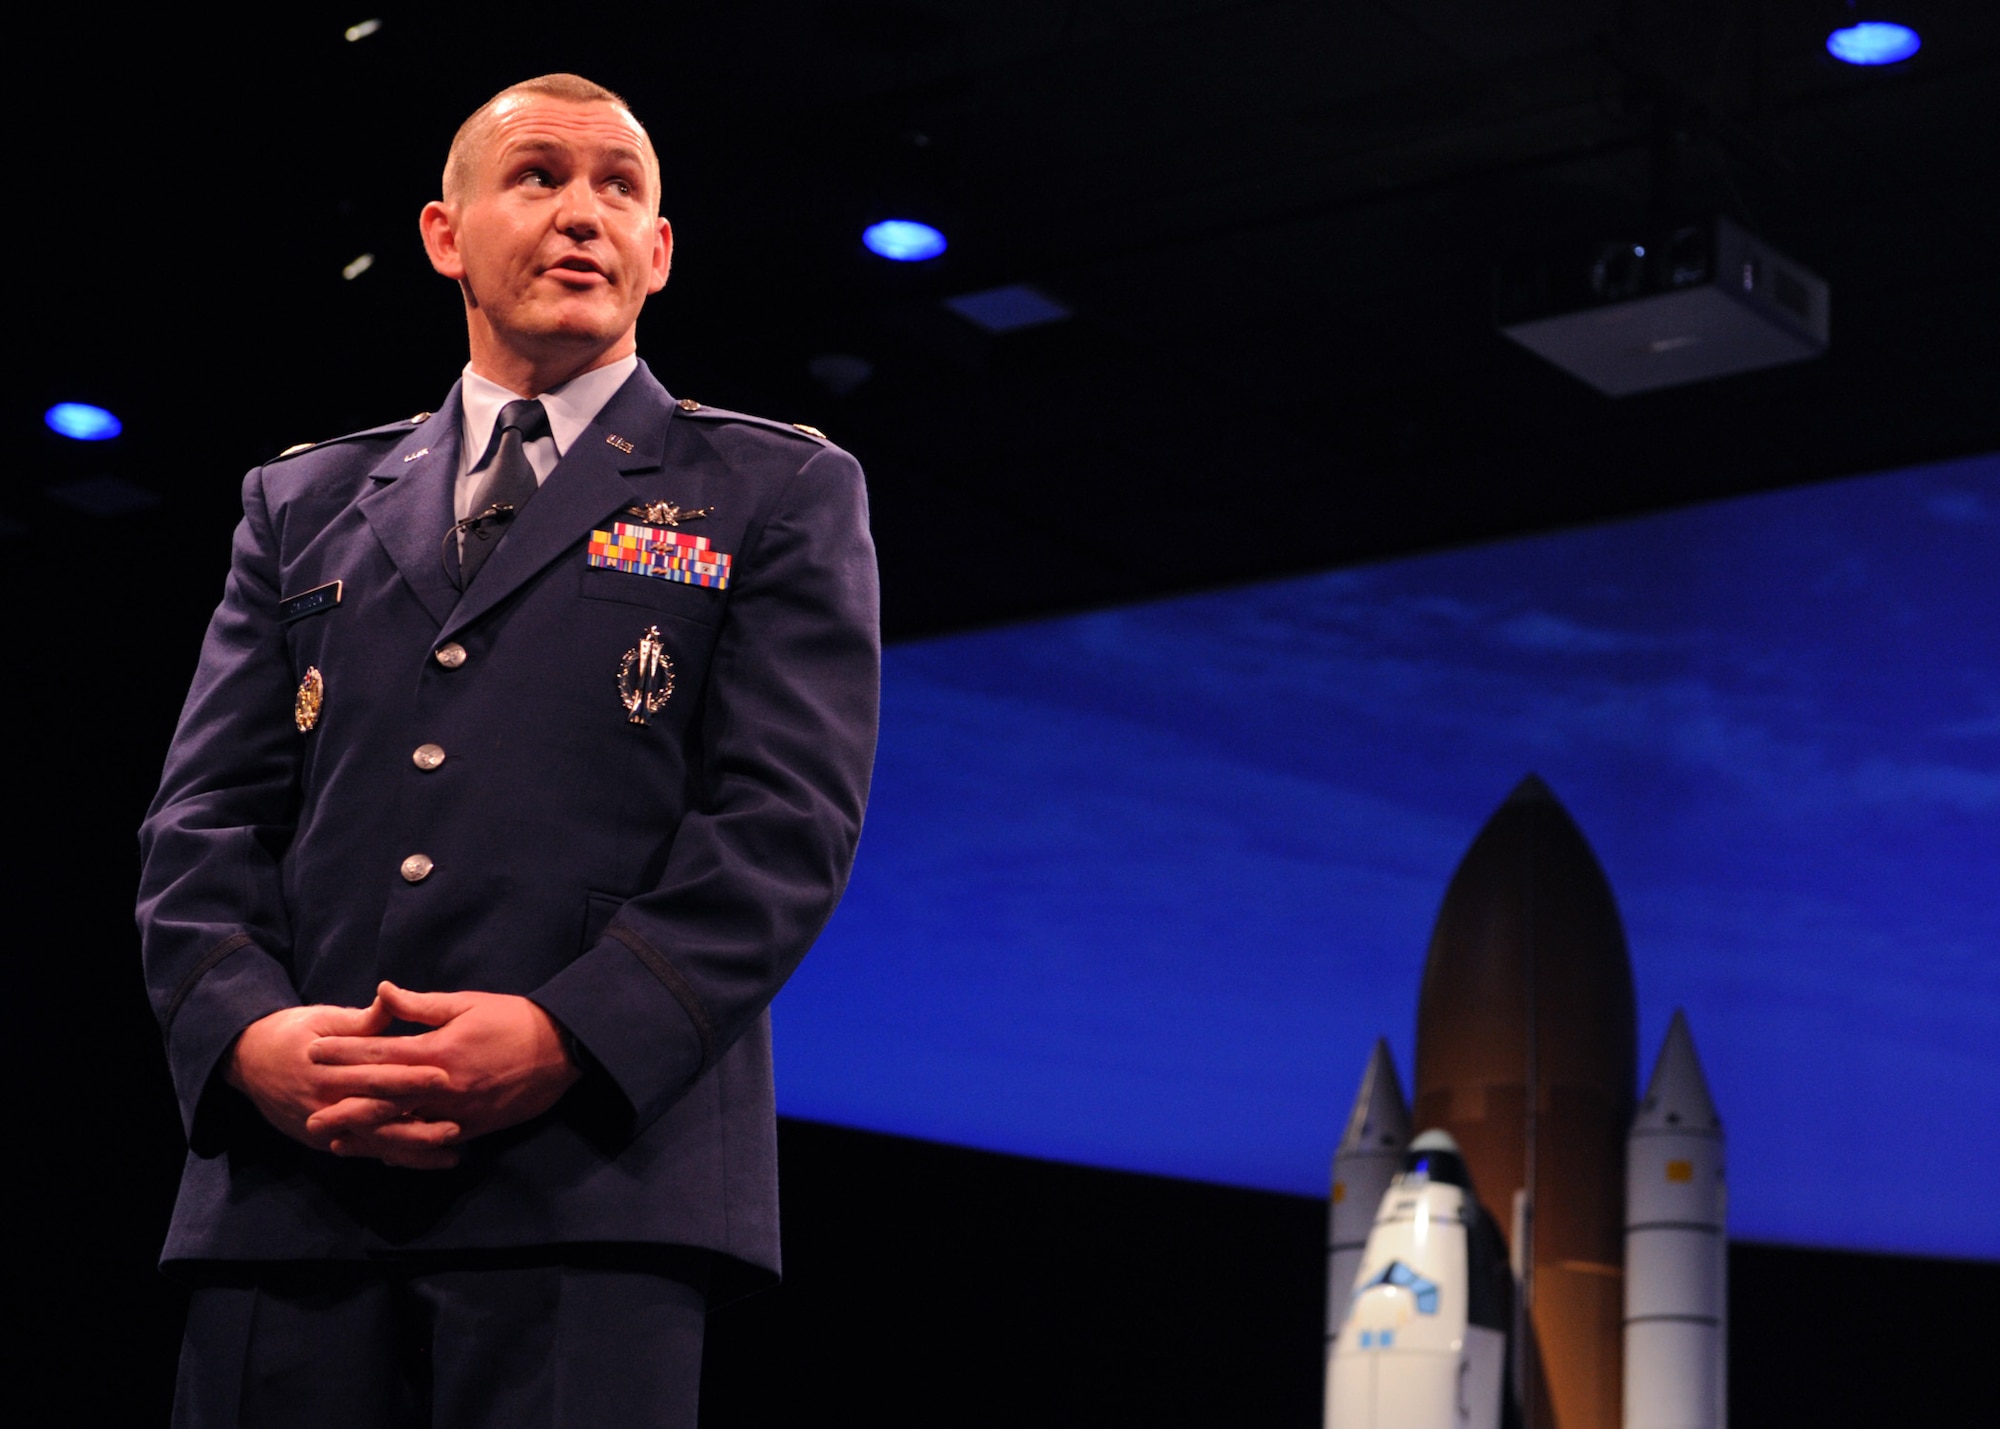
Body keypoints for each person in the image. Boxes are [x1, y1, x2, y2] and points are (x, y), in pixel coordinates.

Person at [137, 73, 880, 1428]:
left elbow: (785, 827)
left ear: (658, 254)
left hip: (593, 1176)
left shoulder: (775, 488)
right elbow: (202, 822)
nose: (582, 212)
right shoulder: (299, 502)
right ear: (444, 232)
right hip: (294, 1190)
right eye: (538, 177)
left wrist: (568, 1034)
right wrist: (248, 1034)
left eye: (620, 189)